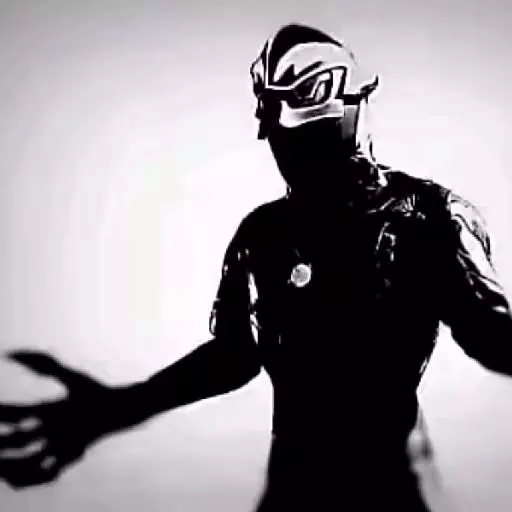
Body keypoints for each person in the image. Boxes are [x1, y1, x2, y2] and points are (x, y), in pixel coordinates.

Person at [0, 23, 511, 511]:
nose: (283, 150)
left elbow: (490, 332)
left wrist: (116, 409)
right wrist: (115, 409)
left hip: (393, 490)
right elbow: (234, 355)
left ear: (349, 116)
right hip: (295, 487)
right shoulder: (264, 235)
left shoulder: (428, 218)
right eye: (280, 136)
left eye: (305, 140)